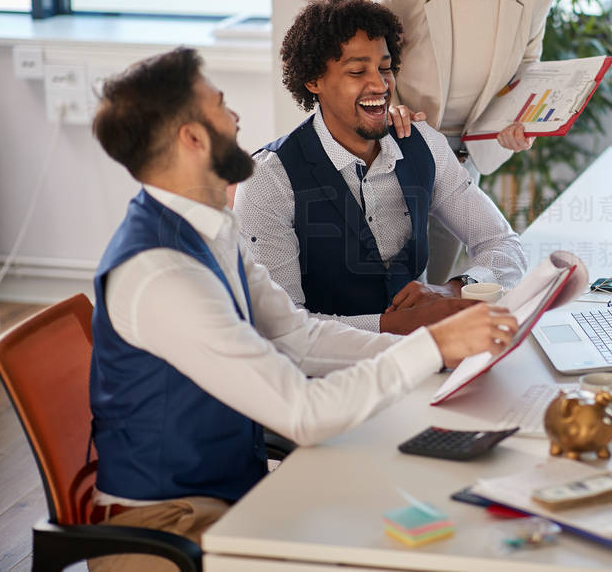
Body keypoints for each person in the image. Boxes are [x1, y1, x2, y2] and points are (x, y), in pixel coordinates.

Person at [87, 47, 515, 571]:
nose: (236, 117)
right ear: (193, 139)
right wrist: (430, 347)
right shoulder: (164, 277)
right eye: (221, 105)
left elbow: (298, 336)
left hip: (233, 493)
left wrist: (432, 354)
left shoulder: (208, 227)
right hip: (169, 528)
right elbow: (302, 414)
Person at [234, 0, 527, 335]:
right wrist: (394, 325)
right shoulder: (269, 180)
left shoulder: (424, 144)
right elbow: (280, 328)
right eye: (357, 71)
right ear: (313, 81)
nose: (380, 84)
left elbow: (503, 244)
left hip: (431, 357)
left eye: (385, 68)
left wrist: (455, 288)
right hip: (331, 377)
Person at [365, 0, 553, 282]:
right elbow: (367, 72)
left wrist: (519, 121)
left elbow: (526, 68)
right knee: (396, 296)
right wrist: (388, 108)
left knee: (435, 291)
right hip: (396, 154)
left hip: (465, 161)